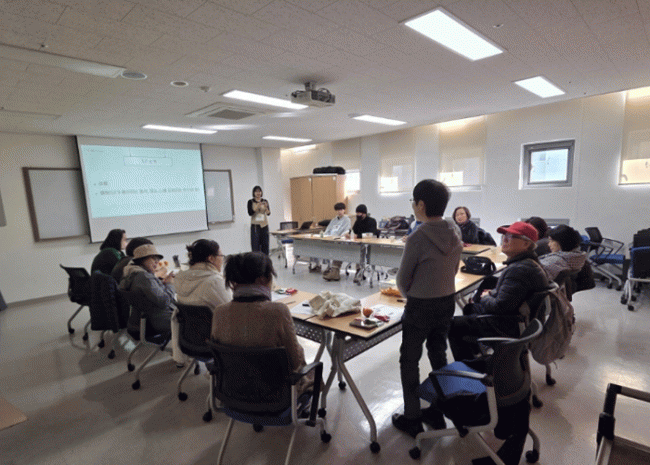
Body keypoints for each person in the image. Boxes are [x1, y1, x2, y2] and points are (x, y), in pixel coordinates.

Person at [392, 180, 463, 438]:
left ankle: (412, 417)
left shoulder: (417, 237)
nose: (413, 205)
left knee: (409, 360)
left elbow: (402, 280)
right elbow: (454, 268)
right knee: (438, 354)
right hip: (447, 301)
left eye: (413, 201)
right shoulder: (454, 230)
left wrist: (411, 296)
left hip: (420, 306)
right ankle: (438, 410)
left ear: (420, 205)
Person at [211, 252, 312, 395]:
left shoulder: (219, 312)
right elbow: (295, 362)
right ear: (263, 279)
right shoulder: (278, 311)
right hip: (274, 395)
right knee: (312, 372)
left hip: (233, 391)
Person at [448, 221, 549, 362]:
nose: (504, 240)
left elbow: (499, 306)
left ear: (526, 244)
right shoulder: (528, 263)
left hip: (509, 324)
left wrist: (486, 296)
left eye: (511, 237)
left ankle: (471, 366)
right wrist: (493, 294)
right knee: (470, 307)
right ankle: (476, 352)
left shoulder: (519, 269)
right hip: (520, 320)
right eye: (504, 236)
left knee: (453, 325)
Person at [173, 239, 232, 366]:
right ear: (211, 258)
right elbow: (233, 311)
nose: (222, 260)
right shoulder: (213, 282)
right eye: (221, 256)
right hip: (215, 340)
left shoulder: (179, 277)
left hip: (190, 338)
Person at [119, 244, 180, 362]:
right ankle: (186, 354)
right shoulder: (144, 277)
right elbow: (164, 301)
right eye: (153, 258)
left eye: (158, 259)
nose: (157, 262)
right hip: (158, 322)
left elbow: (150, 294)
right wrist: (170, 284)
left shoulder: (131, 273)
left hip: (140, 321)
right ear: (142, 260)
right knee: (196, 318)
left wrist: (161, 284)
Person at [322, 202, 352, 281]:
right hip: (331, 239)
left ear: (344, 210)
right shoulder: (334, 220)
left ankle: (334, 271)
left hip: (340, 241)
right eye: (338, 210)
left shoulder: (347, 220)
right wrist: (325, 236)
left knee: (337, 250)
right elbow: (328, 230)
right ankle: (332, 269)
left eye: (341, 210)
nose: (339, 212)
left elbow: (346, 231)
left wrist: (339, 237)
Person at [349, 204, 378, 283]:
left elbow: (371, 234)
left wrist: (358, 236)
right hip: (359, 243)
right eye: (357, 213)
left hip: (369, 243)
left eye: (359, 213)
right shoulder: (358, 221)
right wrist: (349, 234)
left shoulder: (372, 221)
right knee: (357, 249)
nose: (358, 215)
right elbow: (353, 230)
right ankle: (359, 270)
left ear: (364, 213)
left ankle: (360, 271)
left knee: (360, 250)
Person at [248, 186, 270, 255]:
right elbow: (250, 213)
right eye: (256, 191)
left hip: (264, 225)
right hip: (255, 226)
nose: (258, 193)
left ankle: (265, 259)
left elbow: (268, 213)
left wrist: (266, 207)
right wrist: (257, 206)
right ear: (254, 193)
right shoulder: (250, 202)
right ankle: (256, 260)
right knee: (255, 245)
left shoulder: (265, 201)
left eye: (259, 191)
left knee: (265, 245)